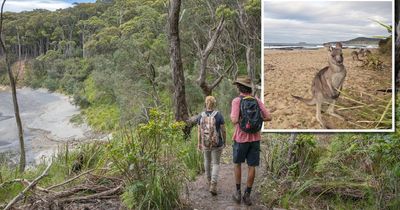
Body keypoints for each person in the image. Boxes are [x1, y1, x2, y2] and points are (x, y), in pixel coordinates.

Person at [230, 76, 271, 205]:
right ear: (249, 88)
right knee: (252, 166)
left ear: (239, 88)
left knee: (237, 164)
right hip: (255, 139)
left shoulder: (237, 101)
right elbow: (269, 117)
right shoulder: (257, 100)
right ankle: (247, 194)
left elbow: (234, 120)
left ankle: (237, 192)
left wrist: (242, 119)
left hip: (240, 138)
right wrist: (257, 119)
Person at [197, 95, 226, 195]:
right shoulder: (218, 115)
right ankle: (213, 184)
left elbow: (199, 131)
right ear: (214, 104)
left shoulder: (201, 115)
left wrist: (199, 143)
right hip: (217, 143)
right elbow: (223, 130)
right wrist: (224, 141)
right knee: (216, 163)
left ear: (206, 103)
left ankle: (209, 181)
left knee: (207, 161)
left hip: (205, 143)